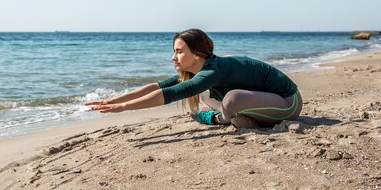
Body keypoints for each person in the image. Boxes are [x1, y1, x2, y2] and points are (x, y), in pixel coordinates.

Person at [86, 29, 302, 127]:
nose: (173, 57)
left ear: (197, 53)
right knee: (207, 94)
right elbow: (158, 86)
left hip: (287, 103)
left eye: (179, 51)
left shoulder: (212, 70)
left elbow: (170, 94)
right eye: (174, 51)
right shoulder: (199, 70)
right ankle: (236, 116)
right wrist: (114, 100)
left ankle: (218, 119)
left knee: (232, 98)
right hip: (262, 101)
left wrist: (124, 107)